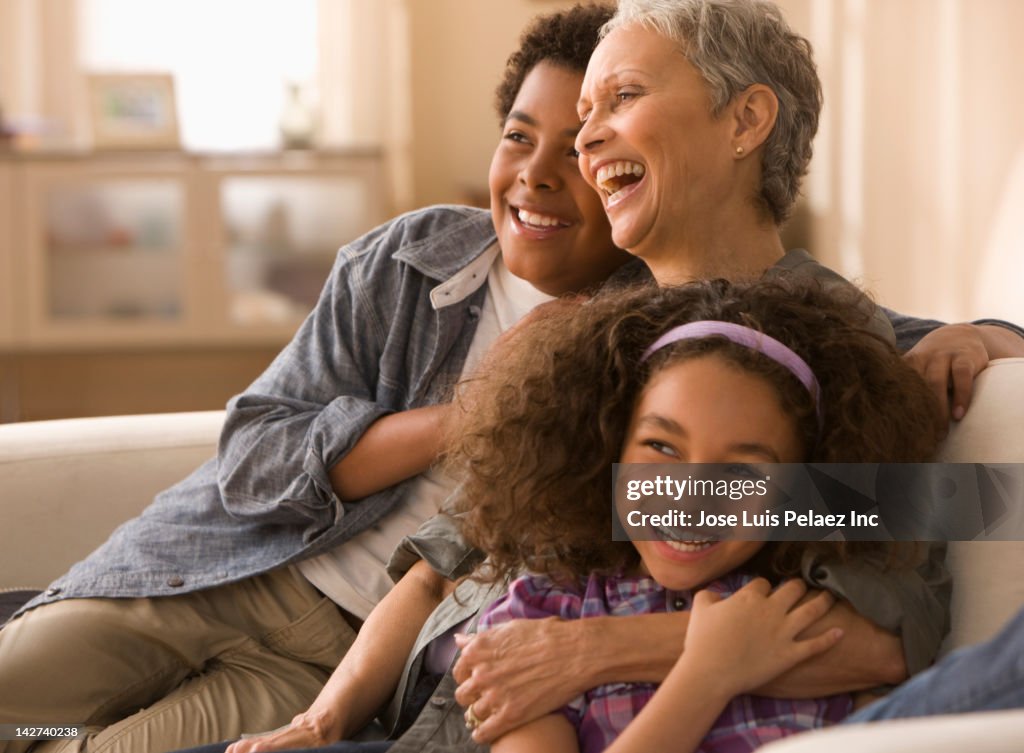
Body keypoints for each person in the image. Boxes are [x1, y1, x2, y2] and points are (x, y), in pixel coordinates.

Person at [0, 6, 631, 752]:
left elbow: (747, 512)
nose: (535, 175)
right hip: (232, 568)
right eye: (519, 137)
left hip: (344, 663)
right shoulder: (406, 260)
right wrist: (472, 411)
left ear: (625, 175)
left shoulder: (642, 342)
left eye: (577, 152)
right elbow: (253, 454)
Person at [451, 276, 943, 753]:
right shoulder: (542, 616)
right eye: (661, 446)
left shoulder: (819, 593)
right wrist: (706, 674)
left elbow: (891, 670)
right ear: (605, 447)